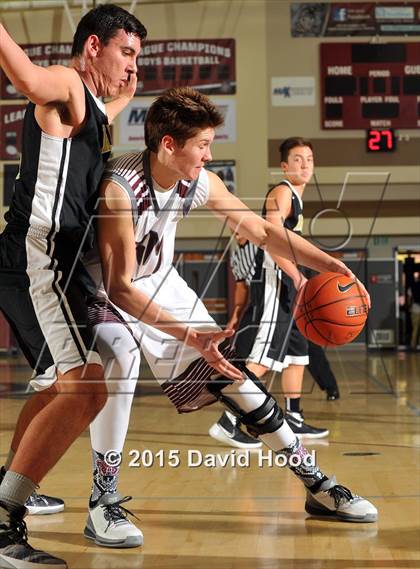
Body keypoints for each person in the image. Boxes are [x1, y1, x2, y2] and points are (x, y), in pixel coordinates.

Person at [79, 88, 376, 548]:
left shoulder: (199, 181)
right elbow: (120, 287)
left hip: (159, 280)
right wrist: (191, 337)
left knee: (234, 376)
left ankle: (318, 484)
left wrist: (331, 266)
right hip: (101, 290)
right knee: (120, 361)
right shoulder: (119, 188)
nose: (209, 154)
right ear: (169, 145)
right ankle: (102, 501)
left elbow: (261, 231)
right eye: (202, 145)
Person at [0, 6, 146, 568]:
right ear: (92, 47)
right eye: (125, 52)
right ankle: (3, 512)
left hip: (53, 262)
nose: (132, 66)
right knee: (86, 390)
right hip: (41, 256)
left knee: (65, 384)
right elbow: (29, 79)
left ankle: (12, 483)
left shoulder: (97, 112)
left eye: (137, 57)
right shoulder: (65, 84)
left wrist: (128, 93)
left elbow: (106, 110)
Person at [210, 138, 330, 446]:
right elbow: (270, 240)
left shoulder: (297, 199)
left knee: (298, 353)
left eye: (310, 159)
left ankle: (294, 418)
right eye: (298, 159)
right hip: (276, 281)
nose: (305, 164)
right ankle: (229, 420)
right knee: (263, 357)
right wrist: (297, 277)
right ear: (284, 166)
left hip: (291, 281)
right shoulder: (282, 192)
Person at [408, 270, 420, 350]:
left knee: (415, 328)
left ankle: (413, 345)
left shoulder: (412, 286)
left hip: (415, 308)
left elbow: (409, 298)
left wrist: (409, 306)